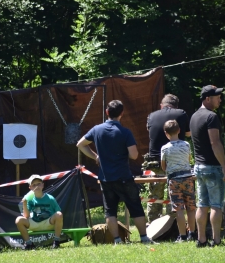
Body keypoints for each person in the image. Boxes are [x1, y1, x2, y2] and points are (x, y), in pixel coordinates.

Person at [77, 100, 155, 244]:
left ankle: (117, 240)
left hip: (106, 178)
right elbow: (134, 155)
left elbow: (80, 144)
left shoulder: (96, 130)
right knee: (136, 208)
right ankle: (144, 238)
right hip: (124, 177)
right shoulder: (125, 132)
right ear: (122, 114)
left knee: (110, 210)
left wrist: (96, 156)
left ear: (107, 112)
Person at [190, 85, 225, 248]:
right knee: (216, 205)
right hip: (213, 167)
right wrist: (224, 166)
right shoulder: (211, 117)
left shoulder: (193, 117)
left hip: (199, 167)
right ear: (208, 98)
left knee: (202, 204)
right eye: (217, 96)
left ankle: (201, 240)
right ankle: (216, 240)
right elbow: (215, 143)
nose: (220, 99)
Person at [146, 94, 191, 223]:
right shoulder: (181, 113)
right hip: (177, 160)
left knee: (155, 196)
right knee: (175, 195)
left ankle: (153, 224)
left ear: (162, 105)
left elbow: (149, 130)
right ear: (176, 106)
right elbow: (188, 133)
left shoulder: (152, 115)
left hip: (155, 162)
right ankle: (173, 224)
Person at [161, 120, 196, 242]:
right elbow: (189, 158)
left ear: (166, 133)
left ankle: (183, 235)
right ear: (179, 130)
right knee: (191, 207)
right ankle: (192, 233)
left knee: (178, 208)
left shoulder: (164, 148)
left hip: (174, 179)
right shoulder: (186, 144)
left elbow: (163, 166)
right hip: (187, 177)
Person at [15, 174, 63, 250]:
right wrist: (24, 203)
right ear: (30, 188)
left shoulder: (50, 198)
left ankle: (56, 241)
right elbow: (26, 216)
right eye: (33, 185)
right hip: (34, 223)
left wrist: (55, 218)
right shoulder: (29, 199)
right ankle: (28, 243)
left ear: (43, 185)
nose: (36, 186)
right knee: (18, 220)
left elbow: (58, 214)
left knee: (59, 214)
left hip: (48, 223)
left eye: (38, 184)